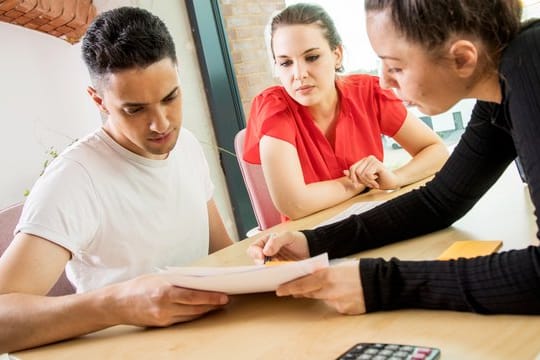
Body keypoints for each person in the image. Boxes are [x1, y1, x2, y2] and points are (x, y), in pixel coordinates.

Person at [248, 0, 540, 315]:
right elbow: (440, 202)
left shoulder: (531, 69)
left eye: (396, 66)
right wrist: (313, 242)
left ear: (462, 58)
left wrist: (380, 284)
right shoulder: (504, 80)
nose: (385, 81)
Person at [0, 7, 233, 353]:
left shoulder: (184, 144)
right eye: (135, 109)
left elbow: (222, 253)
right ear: (99, 100)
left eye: (170, 98)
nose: (161, 124)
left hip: (206, 341)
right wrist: (117, 305)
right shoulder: (74, 179)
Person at [243, 3, 448, 221]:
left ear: (337, 55)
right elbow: (294, 204)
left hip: (373, 223)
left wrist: (395, 178)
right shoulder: (273, 108)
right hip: (312, 239)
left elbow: (436, 151)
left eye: (312, 57)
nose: (299, 74)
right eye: (285, 63)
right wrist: (359, 182)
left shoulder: (368, 93)